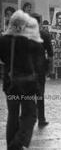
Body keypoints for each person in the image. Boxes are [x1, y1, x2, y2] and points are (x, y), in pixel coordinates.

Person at [0, 10, 44, 150]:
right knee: (30, 115)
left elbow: (3, 59)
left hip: (10, 83)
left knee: (12, 115)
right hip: (27, 84)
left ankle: (10, 146)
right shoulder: (31, 40)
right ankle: (17, 144)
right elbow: (39, 63)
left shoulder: (3, 40)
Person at [31, 13, 53, 127]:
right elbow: (50, 54)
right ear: (39, 22)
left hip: (27, 68)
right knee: (40, 94)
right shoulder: (44, 34)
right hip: (40, 68)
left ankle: (29, 118)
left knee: (28, 95)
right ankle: (41, 119)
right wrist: (50, 69)